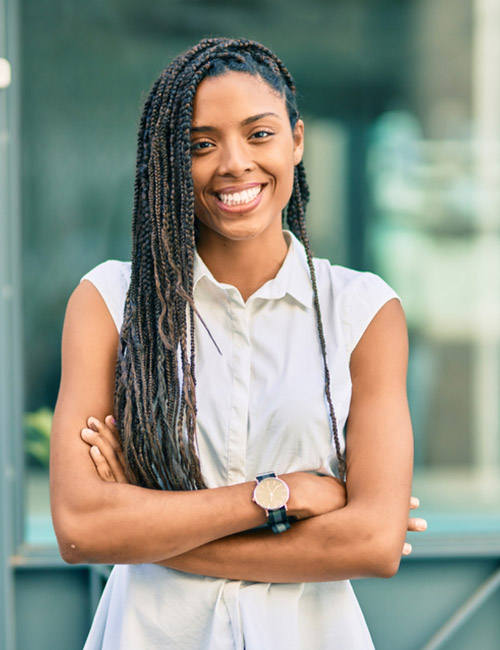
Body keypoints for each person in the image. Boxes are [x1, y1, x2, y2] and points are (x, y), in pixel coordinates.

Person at [50, 37, 426, 649]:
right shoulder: (109, 303)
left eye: (259, 134)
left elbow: (374, 542)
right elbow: (81, 528)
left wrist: (153, 532)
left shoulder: (362, 312)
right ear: (171, 160)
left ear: (297, 140)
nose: (233, 163)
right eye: (200, 144)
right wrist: (283, 497)